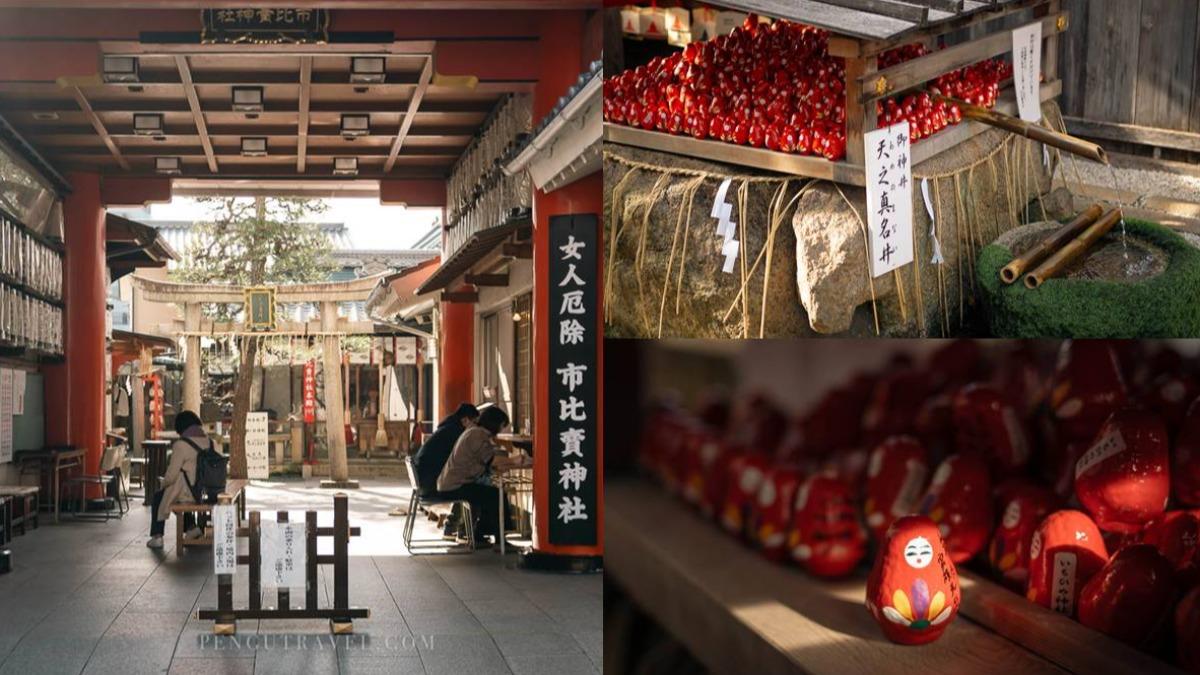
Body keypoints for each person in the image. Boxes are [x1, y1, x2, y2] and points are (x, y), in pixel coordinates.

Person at [436, 406, 528, 547]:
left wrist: (516, 464)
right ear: (495, 423)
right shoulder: (477, 435)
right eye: (503, 425)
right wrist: (514, 460)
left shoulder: (474, 432)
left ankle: (480, 534)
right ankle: (499, 539)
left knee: (488, 493)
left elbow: (489, 462)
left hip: (454, 482)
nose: (502, 430)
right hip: (456, 485)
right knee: (495, 496)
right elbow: (492, 460)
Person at [146, 410, 220, 549]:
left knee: (160, 496)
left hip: (189, 493)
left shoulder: (181, 445)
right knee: (178, 493)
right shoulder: (212, 443)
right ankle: (192, 528)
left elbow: (172, 475)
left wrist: (163, 482)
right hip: (208, 492)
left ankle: (157, 536)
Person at [412, 403, 480, 496]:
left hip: (423, 481)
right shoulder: (455, 432)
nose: (476, 427)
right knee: (474, 489)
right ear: (465, 420)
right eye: (474, 422)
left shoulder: (448, 426)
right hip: (430, 484)